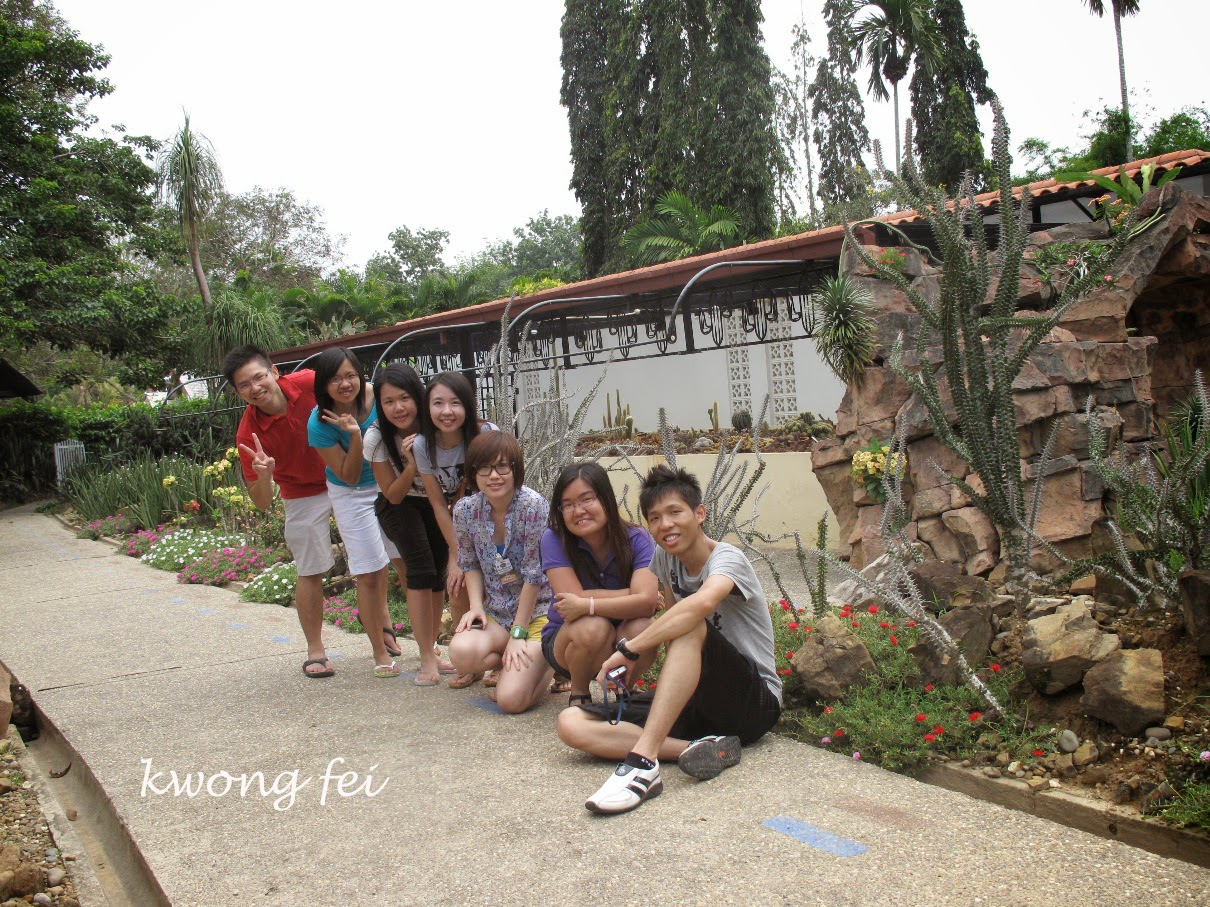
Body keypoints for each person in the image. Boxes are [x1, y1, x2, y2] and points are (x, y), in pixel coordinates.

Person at [557, 465, 782, 815]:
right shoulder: (666, 560)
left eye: (675, 512)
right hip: (698, 704)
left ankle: (643, 763)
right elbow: (671, 620)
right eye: (655, 517)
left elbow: (700, 606)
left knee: (689, 623)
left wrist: (631, 648)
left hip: (753, 702)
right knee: (571, 723)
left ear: (699, 513)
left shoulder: (728, 558)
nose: (665, 525)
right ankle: (698, 747)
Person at [225, 345, 337, 679]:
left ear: (274, 372)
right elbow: (260, 502)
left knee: (376, 553)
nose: (255, 387)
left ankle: (384, 630)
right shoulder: (248, 434)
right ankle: (315, 649)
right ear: (238, 393)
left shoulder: (310, 383)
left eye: (259, 377)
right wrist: (263, 476)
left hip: (344, 475)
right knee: (310, 568)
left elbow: (352, 393)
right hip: (301, 491)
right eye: (245, 385)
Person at [307, 347, 400, 678]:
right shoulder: (318, 423)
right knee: (370, 571)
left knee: (406, 562)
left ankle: (427, 646)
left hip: (389, 482)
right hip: (352, 493)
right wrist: (355, 436)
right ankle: (378, 651)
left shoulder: (379, 397)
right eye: (335, 379)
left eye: (350, 375)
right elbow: (346, 474)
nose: (345, 384)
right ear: (324, 384)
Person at [447, 431, 553, 713]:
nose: (493, 475)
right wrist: (476, 607)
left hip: (537, 611)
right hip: (498, 611)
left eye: (502, 466)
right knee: (461, 652)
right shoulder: (465, 511)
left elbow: (534, 574)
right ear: (473, 472)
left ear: (515, 469)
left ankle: (547, 665)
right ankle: (516, 662)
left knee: (510, 701)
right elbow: (468, 563)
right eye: (484, 468)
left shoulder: (533, 506)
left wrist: (519, 632)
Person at [365, 363, 457, 686]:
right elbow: (392, 493)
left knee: (438, 574)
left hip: (434, 502)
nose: (398, 408)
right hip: (398, 504)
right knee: (419, 569)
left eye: (404, 398)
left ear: (417, 396)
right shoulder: (376, 437)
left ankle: (430, 648)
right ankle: (427, 658)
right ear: (380, 404)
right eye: (388, 401)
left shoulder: (433, 425)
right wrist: (411, 463)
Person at [541, 462, 659, 707]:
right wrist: (632, 595)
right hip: (568, 641)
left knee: (645, 627)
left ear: (606, 498)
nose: (579, 510)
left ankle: (621, 689)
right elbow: (570, 601)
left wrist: (587, 602)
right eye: (568, 504)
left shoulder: (638, 539)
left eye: (586, 499)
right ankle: (579, 692)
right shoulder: (554, 539)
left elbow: (646, 605)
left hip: (623, 635)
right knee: (592, 626)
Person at [412, 370, 497, 688]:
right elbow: (437, 504)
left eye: (455, 403)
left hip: (495, 521)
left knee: (500, 585)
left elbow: (503, 491)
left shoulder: (485, 433)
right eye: (438, 403)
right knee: (457, 584)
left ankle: (501, 658)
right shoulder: (423, 445)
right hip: (458, 525)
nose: (446, 411)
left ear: (468, 406)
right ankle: (473, 663)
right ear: (428, 407)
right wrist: (459, 555)